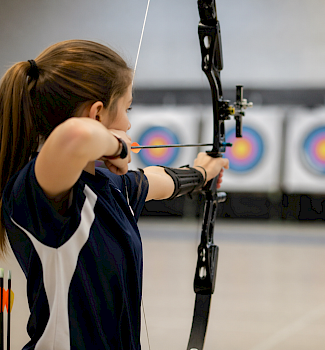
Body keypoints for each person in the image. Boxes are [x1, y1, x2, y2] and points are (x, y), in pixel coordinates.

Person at [0, 39, 229, 350]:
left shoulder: (108, 187)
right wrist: (116, 146)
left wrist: (202, 172)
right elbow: (75, 136)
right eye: (127, 108)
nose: (129, 122)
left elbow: (154, 180)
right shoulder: (39, 192)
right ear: (97, 114)